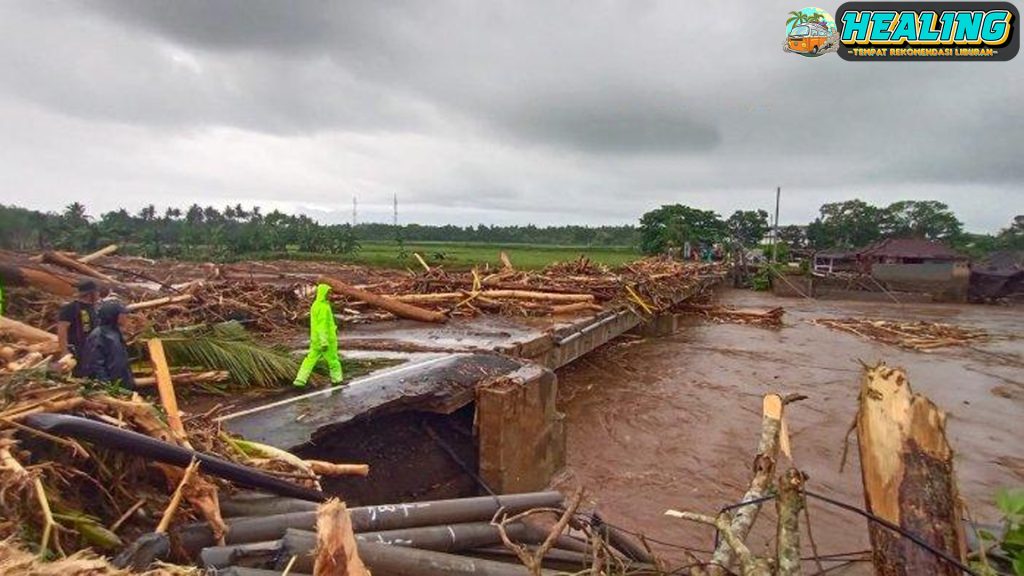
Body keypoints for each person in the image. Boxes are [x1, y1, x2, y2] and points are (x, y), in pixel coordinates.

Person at [293, 283, 343, 387]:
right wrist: (324, 341)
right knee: (333, 361)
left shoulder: (315, 305)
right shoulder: (323, 307)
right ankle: (337, 380)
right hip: (326, 341)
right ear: (324, 293)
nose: (330, 295)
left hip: (315, 340)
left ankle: (300, 380)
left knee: (309, 360)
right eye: (329, 293)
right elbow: (322, 326)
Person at [81, 300, 136, 390]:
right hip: (110, 387)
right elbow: (95, 364)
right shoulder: (99, 335)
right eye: (122, 314)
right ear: (113, 316)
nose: (126, 317)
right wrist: (106, 386)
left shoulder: (115, 333)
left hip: (121, 386)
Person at [57, 279, 99, 377]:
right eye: (97, 292)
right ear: (90, 294)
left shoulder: (92, 308)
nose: (98, 294)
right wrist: (64, 351)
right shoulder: (70, 308)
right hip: (76, 349)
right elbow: (62, 330)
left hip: (91, 349)